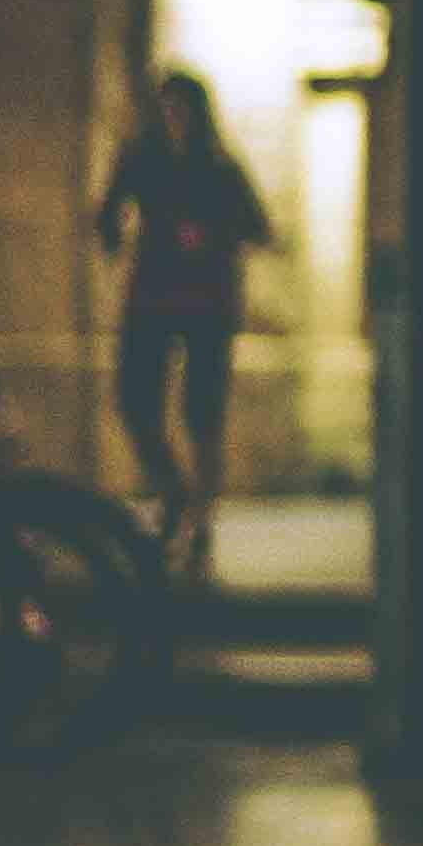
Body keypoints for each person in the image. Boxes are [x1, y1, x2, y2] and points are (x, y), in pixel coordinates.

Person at [96, 72, 270, 576]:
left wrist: (210, 235)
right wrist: (118, 233)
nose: (175, 120)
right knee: (134, 402)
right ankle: (174, 492)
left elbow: (257, 226)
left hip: (206, 301)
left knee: (203, 414)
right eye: (167, 109)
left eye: (183, 110)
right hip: (152, 295)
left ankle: (201, 520)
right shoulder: (141, 158)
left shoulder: (218, 166)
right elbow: (108, 213)